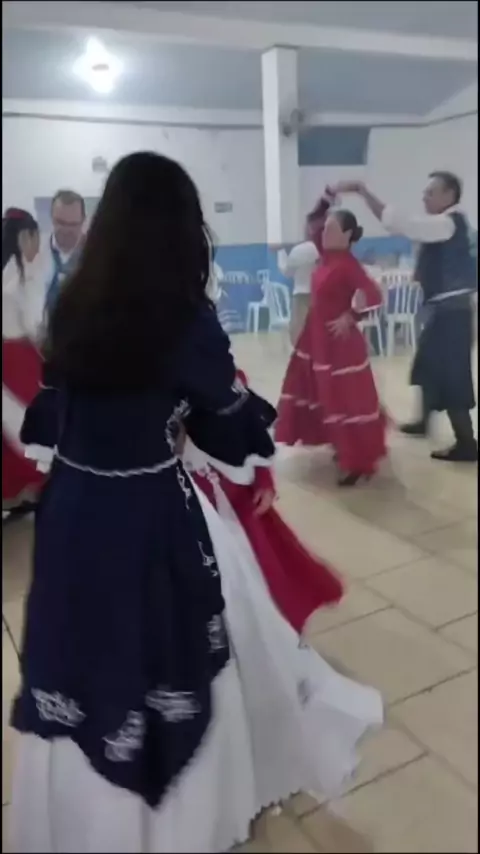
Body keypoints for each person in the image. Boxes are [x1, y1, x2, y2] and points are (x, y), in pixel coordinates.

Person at [10, 153, 382, 853]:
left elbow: (55, 418)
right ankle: (170, 826)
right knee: (162, 657)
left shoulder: (74, 302)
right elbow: (228, 427)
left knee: (81, 651)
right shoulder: (183, 316)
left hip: (73, 512)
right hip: (146, 512)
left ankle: (79, 824)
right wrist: (212, 431)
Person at [182, 368, 344, 635]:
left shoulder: (220, 374)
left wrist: (263, 479)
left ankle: (256, 628)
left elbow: (251, 430)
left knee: (252, 571)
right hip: (181, 504)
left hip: (233, 498)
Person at [339, 173, 477, 462]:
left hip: (453, 315)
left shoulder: (447, 223)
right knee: (427, 364)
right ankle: (423, 422)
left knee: (453, 376)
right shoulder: (444, 225)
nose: (424, 197)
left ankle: (467, 443)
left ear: (449, 195)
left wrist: (364, 192)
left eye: (431, 192)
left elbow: (402, 223)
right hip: (444, 313)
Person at [275, 192, 387, 486]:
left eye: (332, 229)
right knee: (323, 394)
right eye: (325, 229)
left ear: (348, 235)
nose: (324, 233)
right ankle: (342, 446)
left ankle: (357, 460)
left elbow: (374, 295)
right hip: (316, 339)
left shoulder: (348, 265)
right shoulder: (325, 254)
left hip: (339, 346)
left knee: (345, 399)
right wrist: (325, 199)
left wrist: (351, 316)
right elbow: (313, 222)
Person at [2, 208, 45, 515]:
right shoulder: (23, 274)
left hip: (6, 358)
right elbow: (33, 325)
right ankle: (35, 489)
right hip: (21, 357)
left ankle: (17, 491)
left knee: (12, 425)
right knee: (36, 423)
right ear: (25, 237)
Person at [39, 189, 87, 324]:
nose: (66, 230)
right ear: (51, 217)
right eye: (60, 222)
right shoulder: (35, 253)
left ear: (83, 220)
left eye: (73, 224)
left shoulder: (97, 254)